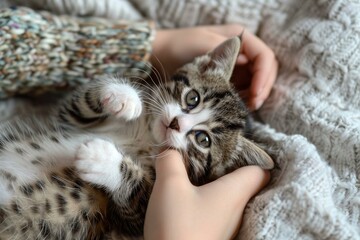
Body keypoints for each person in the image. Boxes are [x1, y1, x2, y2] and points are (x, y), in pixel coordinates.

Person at [0, 6, 277, 239]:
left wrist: (119, 175)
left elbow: (136, 219)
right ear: (202, 66)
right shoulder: (138, 104)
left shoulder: (161, 184)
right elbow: (68, 118)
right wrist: (103, 97)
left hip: (26, 217)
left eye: (202, 139)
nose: (181, 123)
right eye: (191, 100)